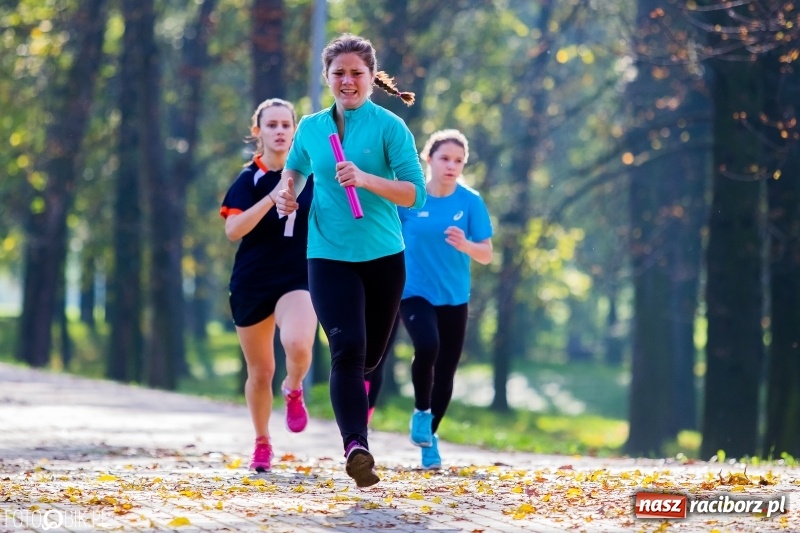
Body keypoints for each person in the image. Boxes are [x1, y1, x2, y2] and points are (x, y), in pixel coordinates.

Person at [274, 34, 426, 487]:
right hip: (327, 254)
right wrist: (288, 192)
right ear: (327, 78)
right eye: (338, 73)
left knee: (370, 358)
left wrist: (365, 178)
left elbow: (414, 193)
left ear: (370, 78)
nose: (347, 81)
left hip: (382, 256)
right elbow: (297, 168)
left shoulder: (390, 128)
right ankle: (356, 447)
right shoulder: (311, 127)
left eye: (356, 73)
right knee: (347, 349)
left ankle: (354, 421)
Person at [370, 129, 494, 470]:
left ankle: (429, 436)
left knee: (447, 371)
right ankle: (422, 411)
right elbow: (384, 237)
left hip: (454, 297)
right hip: (413, 292)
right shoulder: (411, 199)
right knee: (427, 346)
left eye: (458, 160)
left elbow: (486, 253)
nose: (451, 166)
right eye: (445, 158)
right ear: (429, 158)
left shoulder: (470, 202)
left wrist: (466, 245)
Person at [220, 98, 317, 473]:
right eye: (271, 125)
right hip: (253, 282)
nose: (279, 131)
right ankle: (262, 442)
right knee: (260, 371)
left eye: (286, 125)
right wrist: (272, 196)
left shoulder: (313, 177)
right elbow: (233, 230)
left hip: (298, 277)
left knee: (298, 343)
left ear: (295, 131)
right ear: (258, 131)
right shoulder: (249, 180)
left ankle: (294, 387)